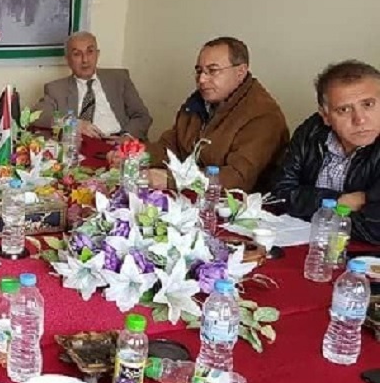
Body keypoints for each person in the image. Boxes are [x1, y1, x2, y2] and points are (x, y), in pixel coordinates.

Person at [140, 37, 288, 192]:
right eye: (199, 71)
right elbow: (170, 148)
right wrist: (136, 155)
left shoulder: (263, 116)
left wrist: (173, 180)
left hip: (236, 202)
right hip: (191, 196)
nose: (202, 79)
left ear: (240, 72)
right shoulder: (199, 103)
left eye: (213, 71)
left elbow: (236, 178)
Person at [273, 60, 380, 244]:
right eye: (344, 109)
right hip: (307, 244)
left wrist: (315, 209)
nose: (360, 119)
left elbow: (375, 228)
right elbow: (279, 195)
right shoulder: (311, 132)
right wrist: (339, 202)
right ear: (326, 116)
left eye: (368, 104)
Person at [32, 31, 152, 140]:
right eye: (77, 54)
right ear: (68, 60)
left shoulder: (119, 79)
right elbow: (37, 115)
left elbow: (142, 116)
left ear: (97, 54)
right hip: (81, 146)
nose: (85, 60)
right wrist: (72, 123)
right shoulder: (56, 89)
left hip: (119, 142)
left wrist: (126, 137)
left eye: (90, 52)